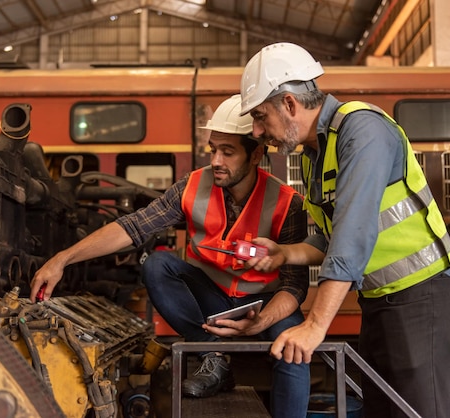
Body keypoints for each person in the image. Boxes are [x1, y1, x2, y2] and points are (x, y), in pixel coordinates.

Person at [29, 94, 311, 417]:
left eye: (228, 152)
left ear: (256, 154)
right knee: (158, 265)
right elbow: (133, 227)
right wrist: (62, 259)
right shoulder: (191, 187)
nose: (216, 160)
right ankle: (214, 359)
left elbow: (294, 286)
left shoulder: (288, 203)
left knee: (294, 348)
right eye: (213, 150)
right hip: (213, 301)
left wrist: (262, 320)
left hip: (266, 306)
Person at [238, 42, 450, 418]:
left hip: (425, 298)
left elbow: (354, 231)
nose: (258, 130)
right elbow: (331, 238)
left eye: (261, 117)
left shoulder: (362, 130)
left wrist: (315, 325)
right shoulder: (315, 154)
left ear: (290, 104)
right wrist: (285, 253)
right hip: (381, 303)